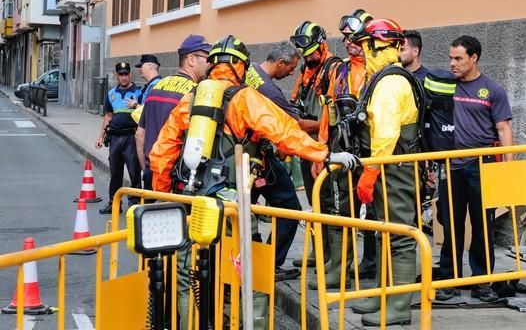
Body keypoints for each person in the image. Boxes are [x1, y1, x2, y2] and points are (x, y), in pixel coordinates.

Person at [149, 35, 359, 330]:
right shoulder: (244, 97)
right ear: (238, 65)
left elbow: (162, 152)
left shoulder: (191, 98)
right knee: (248, 265)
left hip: (190, 198)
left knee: (188, 273)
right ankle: (248, 321)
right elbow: (284, 131)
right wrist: (325, 154)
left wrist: (165, 197)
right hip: (231, 203)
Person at [349, 18, 423, 326]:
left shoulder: (390, 83)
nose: (362, 52)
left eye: (365, 46)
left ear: (377, 46)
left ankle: (399, 307)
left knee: (399, 235)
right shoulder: (383, 77)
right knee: (383, 232)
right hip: (387, 165)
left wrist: (372, 171)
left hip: (394, 166)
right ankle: (384, 296)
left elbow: (387, 132)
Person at [435, 35, 514, 303]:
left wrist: (508, 169)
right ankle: (449, 280)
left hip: (482, 166)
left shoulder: (493, 90)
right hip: (450, 167)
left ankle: (482, 282)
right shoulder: (446, 87)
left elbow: (504, 129)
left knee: (482, 226)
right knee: (451, 225)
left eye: (458, 58)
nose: (452, 63)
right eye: (451, 58)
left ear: (474, 58)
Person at [308, 9, 376, 289]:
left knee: (376, 213)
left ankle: (374, 267)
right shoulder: (339, 69)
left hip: (371, 150)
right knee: (339, 208)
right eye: (347, 38)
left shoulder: (378, 70)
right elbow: (328, 111)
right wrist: (321, 148)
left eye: (356, 38)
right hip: (342, 148)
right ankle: (339, 266)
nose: (350, 43)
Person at [244, 41, 305, 281]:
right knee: (290, 208)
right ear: (280, 63)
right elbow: (294, 125)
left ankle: (249, 265)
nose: (291, 73)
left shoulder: (250, 71)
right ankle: (268, 266)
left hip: (242, 156)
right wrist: (324, 126)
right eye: (290, 68)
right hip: (259, 158)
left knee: (245, 214)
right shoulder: (269, 91)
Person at [289, 20, 342, 267]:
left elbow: (333, 113)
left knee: (328, 201)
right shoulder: (305, 69)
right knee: (314, 200)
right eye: (303, 53)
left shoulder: (334, 68)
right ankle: (318, 250)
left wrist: (306, 126)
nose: (305, 57)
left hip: (324, 144)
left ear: (322, 45)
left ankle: (332, 258)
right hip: (305, 144)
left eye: (309, 51)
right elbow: (295, 99)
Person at [136, 35, 212, 192]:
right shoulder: (195, 94)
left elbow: (139, 135)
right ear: (191, 59)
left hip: (153, 172)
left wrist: (147, 170)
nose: (211, 64)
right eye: (207, 58)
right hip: (177, 179)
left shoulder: (156, 87)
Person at [95, 62, 142, 213]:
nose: (124, 77)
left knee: (134, 172)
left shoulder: (138, 93)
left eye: (126, 74)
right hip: (115, 138)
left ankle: (134, 203)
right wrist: (101, 136)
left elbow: (145, 113)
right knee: (115, 172)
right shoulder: (111, 94)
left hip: (131, 137)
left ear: (130, 74)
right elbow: (108, 116)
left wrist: (136, 105)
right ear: (116, 75)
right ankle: (113, 203)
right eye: (121, 74)